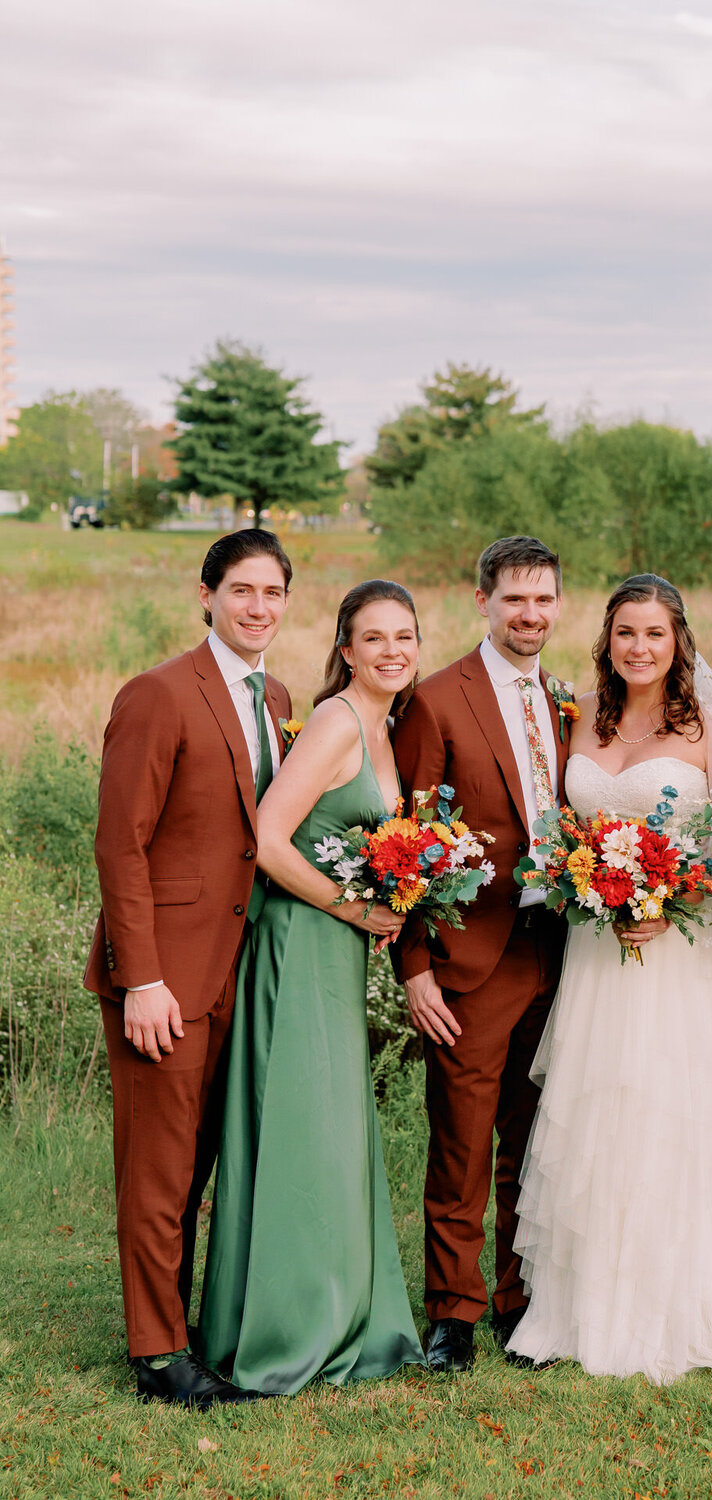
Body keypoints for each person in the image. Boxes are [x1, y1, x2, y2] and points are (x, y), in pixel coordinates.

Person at [506, 573, 712, 1384]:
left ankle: (696, 1301)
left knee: (676, 1107)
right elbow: (567, 828)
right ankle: (580, 1302)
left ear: (679, 643)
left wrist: (673, 902)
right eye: (627, 633)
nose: (641, 647)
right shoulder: (584, 721)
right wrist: (588, 881)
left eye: (656, 634)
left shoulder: (710, 726)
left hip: (679, 951)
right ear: (609, 640)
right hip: (600, 951)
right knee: (598, 1109)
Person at [196, 580, 426, 1394]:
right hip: (298, 948)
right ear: (345, 648)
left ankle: (335, 1311)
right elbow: (265, 840)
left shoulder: (382, 723)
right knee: (304, 1134)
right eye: (374, 639)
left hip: (333, 953)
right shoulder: (334, 722)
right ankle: (294, 1329)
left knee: (331, 1133)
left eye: (405, 637)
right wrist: (357, 909)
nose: (392, 651)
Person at [85, 529, 293, 1407]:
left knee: (207, 1159)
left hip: (239, 973)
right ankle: (158, 1354)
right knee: (161, 1167)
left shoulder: (276, 696)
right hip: (164, 980)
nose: (258, 608)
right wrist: (140, 979)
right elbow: (120, 846)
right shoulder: (158, 695)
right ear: (204, 594)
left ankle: (190, 1325)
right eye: (241, 590)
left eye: (273, 593)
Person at [391, 537, 568, 1372]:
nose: (529, 614)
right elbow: (408, 841)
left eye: (543, 600)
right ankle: (452, 1315)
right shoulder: (437, 700)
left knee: (534, 1140)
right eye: (514, 600)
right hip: (470, 958)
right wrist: (415, 967)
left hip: (558, 948)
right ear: (483, 602)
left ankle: (518, 1299)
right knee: (462, 1141)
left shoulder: (564, 701)